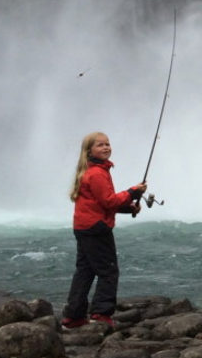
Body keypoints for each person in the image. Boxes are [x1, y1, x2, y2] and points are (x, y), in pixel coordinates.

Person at [62, 132, 146, 330]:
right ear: (89, 150)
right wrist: (133, 192)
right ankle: (101, 313)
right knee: (108, 271)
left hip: (83, 227)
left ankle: (73, 316)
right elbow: (108, 201)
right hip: (96, 228)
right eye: (100, 145)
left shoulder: (91, 171)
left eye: (107, 144)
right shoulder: (98, 174)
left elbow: (101, 203)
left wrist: (128, 208)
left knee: (85, 271)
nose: (106, 147)